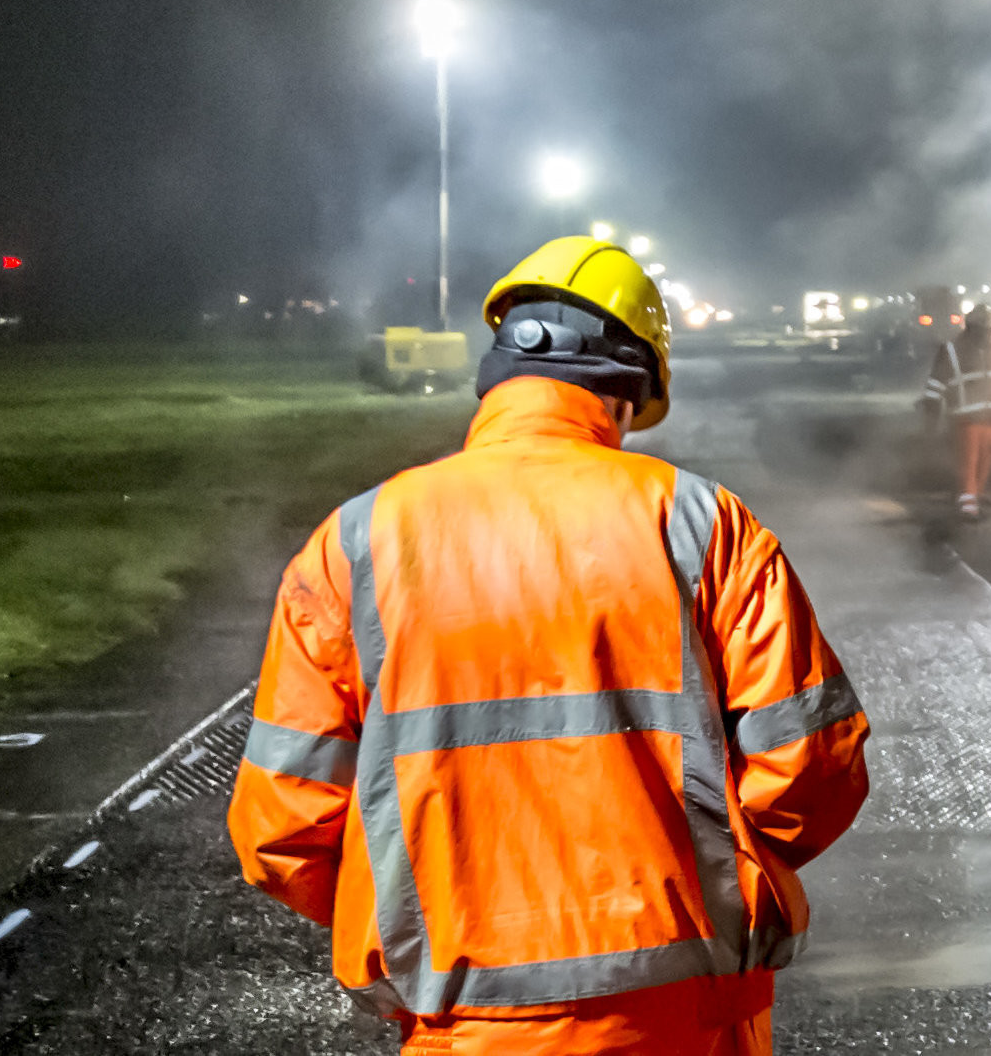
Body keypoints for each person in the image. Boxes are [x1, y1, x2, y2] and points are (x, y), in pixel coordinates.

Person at [231, 236, 868, 1055]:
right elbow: (814, 768)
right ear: (628, 395)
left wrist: (416, 906)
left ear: (496, 382)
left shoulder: (355, 541)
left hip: (458, 1022)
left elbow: (281, 823)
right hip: (683, 1015)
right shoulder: (704, 525)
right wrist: (717, 879)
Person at [922, 289, 991, 517]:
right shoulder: (952, 349)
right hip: (965, 417)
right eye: (983, 328)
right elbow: (936, 383)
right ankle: (967, 504)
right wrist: (932, 411)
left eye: (989, 328)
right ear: (970, 327)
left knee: (985, 461)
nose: (986, 333)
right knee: (968, 461)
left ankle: (975, 497)